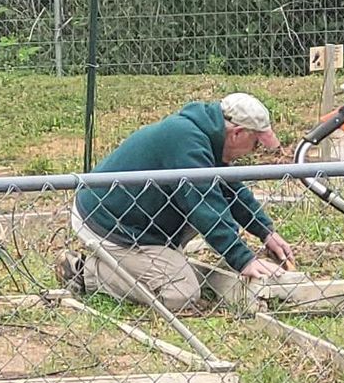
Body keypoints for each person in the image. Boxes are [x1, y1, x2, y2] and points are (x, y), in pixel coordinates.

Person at [62, 92, 298, 311]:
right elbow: (205, 207)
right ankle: (85, 272)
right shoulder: (187, 142)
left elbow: (229, 188)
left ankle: (147, 262)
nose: (253, 150)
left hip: (132, 220)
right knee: (181, 293)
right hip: (107, 224)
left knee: (201, 218)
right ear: (237, 133)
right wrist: (243, 259)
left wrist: (265, 231)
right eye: (255, 143)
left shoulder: (203, 136)